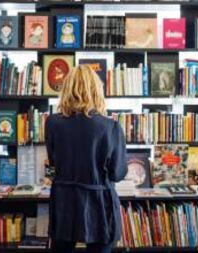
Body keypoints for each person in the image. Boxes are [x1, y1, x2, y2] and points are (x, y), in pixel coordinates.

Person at [45, 65, 127, 253]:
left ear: (67, 89)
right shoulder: (111, 127)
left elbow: (52, 166)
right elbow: (117, 173)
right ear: (96, 90)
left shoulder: (51, 123)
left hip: (64, 202)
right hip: (99, 204)